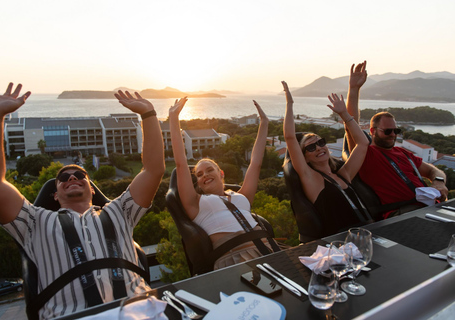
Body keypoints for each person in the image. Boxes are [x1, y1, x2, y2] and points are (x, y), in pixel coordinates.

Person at [0, 83, 165, 319]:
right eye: (63, 178)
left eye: (80, 175)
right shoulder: (34, 222)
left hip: (140, 310)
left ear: (92, 190)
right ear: (55, 195)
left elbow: (154, 170)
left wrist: (148, 114)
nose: (72, 177)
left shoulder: (120, 212)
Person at [169, 96, 277, 270]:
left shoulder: (242, 196)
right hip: (235, 258)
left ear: (221, 173)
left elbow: (255, 163)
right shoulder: (196, 203)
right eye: (199, 174)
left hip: (270, 250)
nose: (204, 175)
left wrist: (264, 123)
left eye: (209, 169)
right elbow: (181, 163)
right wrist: (173, 119)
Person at [344, 61, 448, 218]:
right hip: (404, 213)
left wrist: (439, 182)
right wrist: (354, 89)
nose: (393, 134)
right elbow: (350, 123)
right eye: (387, 131)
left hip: (431, 207)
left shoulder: (404, 153)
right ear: (372, 131)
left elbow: (433, 170)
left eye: (396, 130)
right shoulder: (365, 153)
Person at [282, 81, 372, 237]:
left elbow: (363, 143)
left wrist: (344, 114)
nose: (318, 148)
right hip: (341, 241)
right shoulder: (312, 179)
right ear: (306, 159)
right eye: (310, 147)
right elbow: (290, 137)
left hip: (367, 232)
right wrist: (289, 104)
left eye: (320, 142)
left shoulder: (343, 174)